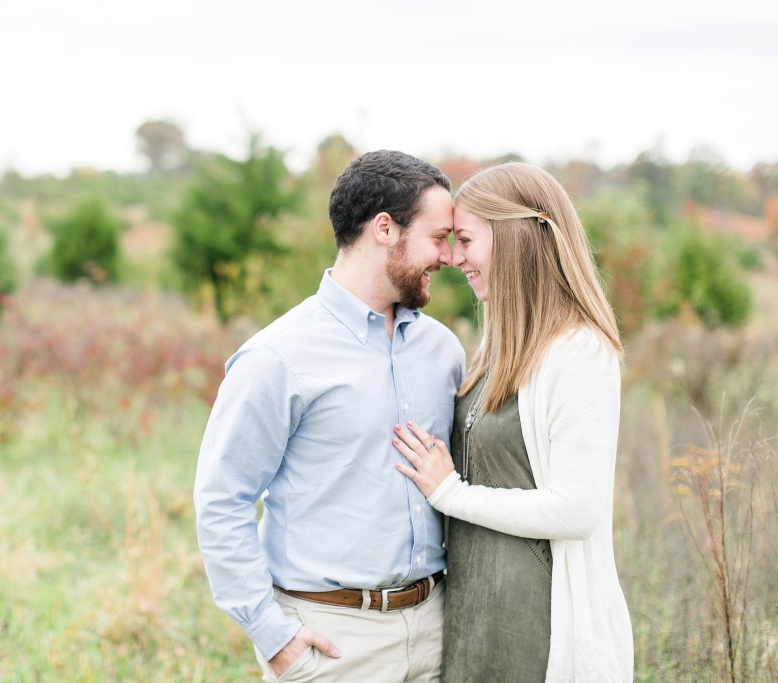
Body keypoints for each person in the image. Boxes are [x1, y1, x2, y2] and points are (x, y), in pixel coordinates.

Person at [194, 150, 465, 682]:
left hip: (438, 627)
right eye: (437, 238)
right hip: (333, 643)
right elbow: (222, 499)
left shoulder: (444, 350)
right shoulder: (277, 358)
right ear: (384, 229)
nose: (448, 257)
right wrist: (273, 636)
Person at [392, 162, 634, 682]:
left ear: (518, 235)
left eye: (466, 240)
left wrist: (449, 493)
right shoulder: (500, 349)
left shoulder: (580, 352)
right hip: (473, 621)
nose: (455, 259)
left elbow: (577, 510)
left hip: (539, 631)